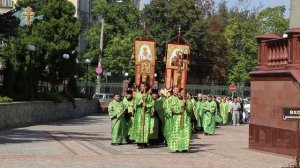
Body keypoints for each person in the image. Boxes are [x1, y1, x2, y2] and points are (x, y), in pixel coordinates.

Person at [163, 86, 192, 152]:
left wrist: (186, 104)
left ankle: (184, 147)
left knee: (185, 133)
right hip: (176, 119)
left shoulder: (187, 100)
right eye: (181, 93)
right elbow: (172, 108)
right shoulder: (174, 99)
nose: (182, 94)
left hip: (185, 119)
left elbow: (189, 109)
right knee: (176, 133)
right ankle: (176, 147)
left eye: (184, 93)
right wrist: (180, 107)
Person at [133, 82, 154, 149]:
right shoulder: (138, 94)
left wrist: (147, 105)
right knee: (139, 127)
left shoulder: (148, 95)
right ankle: (139, 142)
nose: (142, 87)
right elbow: (135, 102)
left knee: (145, 127)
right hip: (139, 113)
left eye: (143, 86)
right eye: (141, 86)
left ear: (146, 87)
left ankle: (144, 142)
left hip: (146, 113)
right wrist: (141, 99)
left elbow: (152, 103)